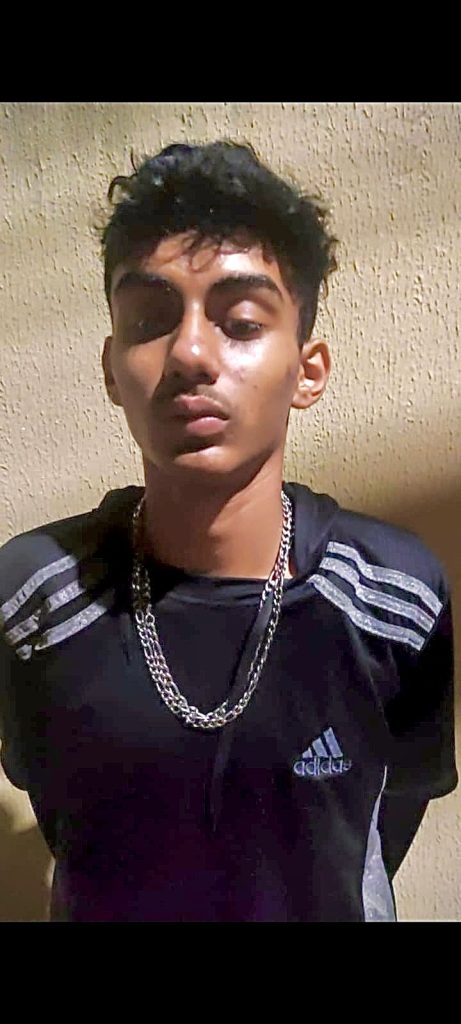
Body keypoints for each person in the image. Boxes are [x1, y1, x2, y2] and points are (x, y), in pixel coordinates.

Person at [0, 140, 457, 923]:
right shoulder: (32, 595)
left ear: (308, 370)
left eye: (240, 322)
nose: (189, 353)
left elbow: (388, 813)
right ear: (110, 368)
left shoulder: (395, 596)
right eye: (150, 320)